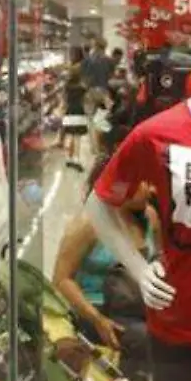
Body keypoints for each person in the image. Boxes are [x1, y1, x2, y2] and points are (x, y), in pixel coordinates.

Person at [53, 159, 157, 350]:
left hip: (139, 307)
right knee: (150, 341)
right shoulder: (88, 225)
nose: (152, 191)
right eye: (144, 183)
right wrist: (97, 319)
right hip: (98, 312)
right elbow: (62, 280)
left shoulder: (149, 218)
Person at [80, 38, 114, 151]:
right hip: (104, 92)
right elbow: (111, 76)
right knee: (103, 118)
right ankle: (103, 144)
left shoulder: (86, 61)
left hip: (90, 92)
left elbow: (84, 80)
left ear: (94, 46)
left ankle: (95, 148)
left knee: (90, 120)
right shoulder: (109, 61)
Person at [62, 70, 89, 170]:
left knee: (68, 136)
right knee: (77, 137)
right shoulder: (82, 88)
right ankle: (76, 159)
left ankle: (68, 158)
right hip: (79, 111)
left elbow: (64, 101)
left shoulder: (66, 87)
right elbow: (85, 100)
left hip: (69, 111)